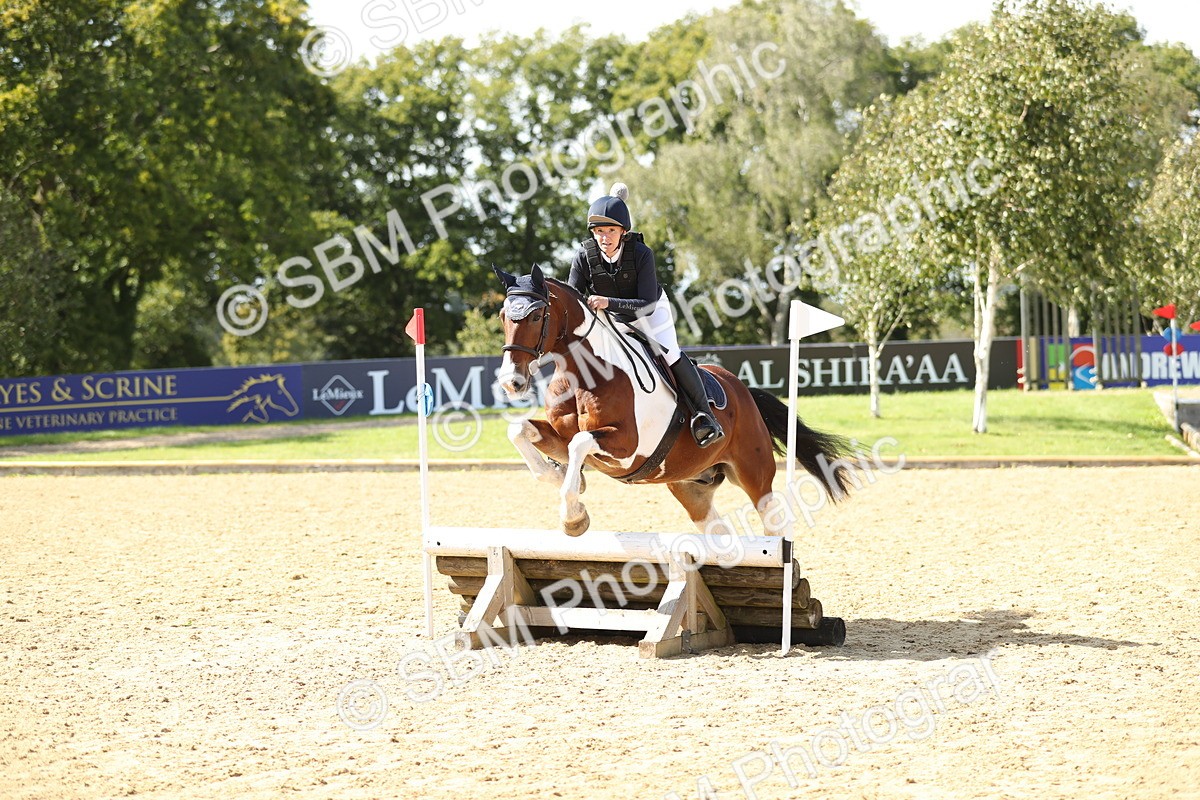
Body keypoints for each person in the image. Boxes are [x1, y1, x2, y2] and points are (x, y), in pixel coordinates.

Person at [566, 182, 724, 448]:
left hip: (649, 313)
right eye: (599, 231)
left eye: (611, 231)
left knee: (669, 353)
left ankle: (704, 416)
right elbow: (573, 298)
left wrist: (607, 301)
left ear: (623, 232)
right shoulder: (583, 256)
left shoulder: (641, 253)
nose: (605, 237)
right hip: (609, 318)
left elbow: (647, 302)